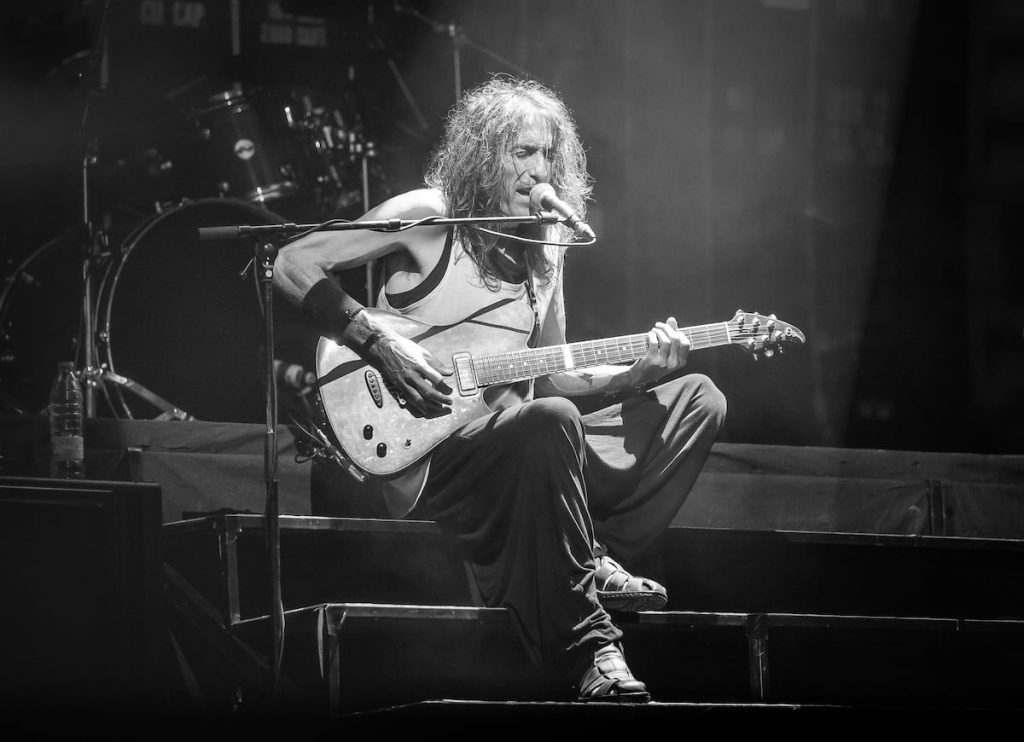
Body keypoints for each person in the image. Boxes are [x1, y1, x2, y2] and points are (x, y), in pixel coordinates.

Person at [273, 75, 726, 703]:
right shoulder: (430, 216)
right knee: (551, 419)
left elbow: (553, 370)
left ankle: (588, 556)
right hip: (431, 455)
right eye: (522, 153)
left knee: (696, 399)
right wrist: (376, 341)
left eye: (549, 156)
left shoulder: (547, 246)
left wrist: (636, 375)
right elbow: (291, 262)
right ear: (484, 157)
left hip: (521, 449)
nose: (539, 171)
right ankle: (590, 645)